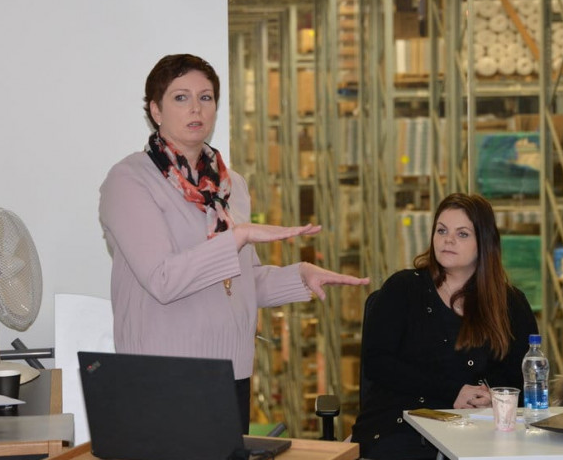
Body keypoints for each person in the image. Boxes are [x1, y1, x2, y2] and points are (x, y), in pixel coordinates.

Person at [98, 53, 369, 433]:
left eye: (206, 97)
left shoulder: (231, 185)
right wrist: (237, 237)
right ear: (156, 110)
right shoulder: (129, 181)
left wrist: (299, 277)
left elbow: (240, 280)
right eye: (181, 97)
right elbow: (163, 280)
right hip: (162, 374)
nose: (196, 108)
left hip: (232, 370)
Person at [351, 193, 538, 460]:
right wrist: (453, 391)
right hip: (403, 424)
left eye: (462, 234)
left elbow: (523, 375)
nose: (448, 240)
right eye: (442, 230)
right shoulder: (403, 288)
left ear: (484, 243)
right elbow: (378, 363)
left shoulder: (510, 303)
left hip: (481, 429)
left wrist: (492, 395)